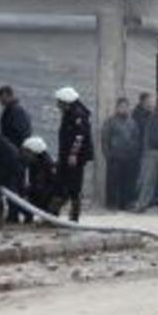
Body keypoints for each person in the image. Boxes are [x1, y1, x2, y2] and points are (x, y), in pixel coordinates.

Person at [53, 87, 94, 222]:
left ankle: (74, 215)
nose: (58, 106)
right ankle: (54, 212)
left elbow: (79, 137)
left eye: (60, 102)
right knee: (61, 182)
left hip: (75, 158)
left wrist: (73, 154)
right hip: (66, 155)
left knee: (74, 185)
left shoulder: (78, 114)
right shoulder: (70, 112)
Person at [0, 85, 33, 223]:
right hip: (13, 155)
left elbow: (21, 134)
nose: (0, 101)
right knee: (15, 186)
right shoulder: (11, 110)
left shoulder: (16, 111)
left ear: (8, 95)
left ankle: (19, 214)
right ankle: (18, 214)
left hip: (16, 156)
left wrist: (18, 153)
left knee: (13, 186)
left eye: (1, 98)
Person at [101, 98, 141, 211]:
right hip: (115, 157)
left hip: (129, 157)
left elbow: (136, 138)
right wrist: (108, 155)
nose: (124, 109)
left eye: (126, 106)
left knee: (128, 182)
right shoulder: (110, 122)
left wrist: (134, 153)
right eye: (121, 106)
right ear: (117, 108)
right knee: (113, 182)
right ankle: (112, 204)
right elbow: (105, 139)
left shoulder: (132, 122)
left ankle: (126, 204)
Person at [20, 136, 57, 223]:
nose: (24, 154)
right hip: (40, 195)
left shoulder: (47, 165)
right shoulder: (34, 164)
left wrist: (27, 193)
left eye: (27, 151)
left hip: (47, 197)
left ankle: (48, 217)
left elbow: (42, 187)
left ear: (35, 151)